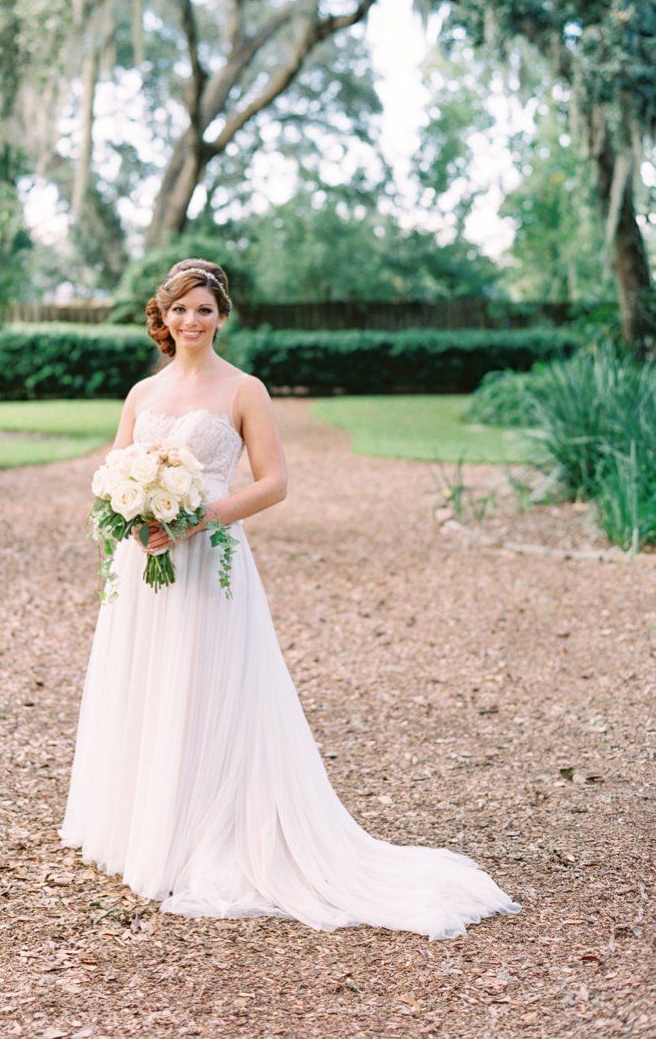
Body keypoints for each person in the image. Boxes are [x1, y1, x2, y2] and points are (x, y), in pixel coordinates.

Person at [60, 258, 521, 938]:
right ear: (163, 315)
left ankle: (205, 831)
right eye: (181, 309)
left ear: (223, 317)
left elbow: (274, 483)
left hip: (210, 557)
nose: (193, 321)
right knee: (147, 683)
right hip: (144, 563)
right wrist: (136, 512)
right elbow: (111, 472)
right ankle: (144, 827)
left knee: (204, 685)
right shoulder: (141, 394)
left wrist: (198, 516)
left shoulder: (244, 390)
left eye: (205, 309)